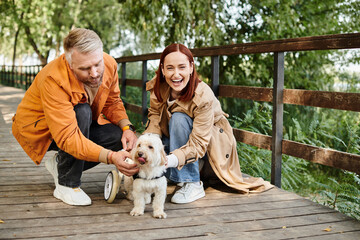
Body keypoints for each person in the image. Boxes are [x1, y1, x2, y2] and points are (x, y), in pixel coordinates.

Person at [12, 28, 139, 206]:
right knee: (82, 111)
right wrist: (111, 157)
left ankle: (61, 164)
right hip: (41, 129)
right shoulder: (53, 79)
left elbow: (112, 101)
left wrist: (127, 128)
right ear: (70, 64)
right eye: (85, 68)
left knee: (117, 137)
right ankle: (66, 184)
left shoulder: (109, 63)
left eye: (97, 64)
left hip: (77, 124)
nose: (94, 73)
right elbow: (68, 138)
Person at [143, 43, 273, 204]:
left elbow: (198, 144)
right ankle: (177, 177)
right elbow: (155, 116)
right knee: (158, 141)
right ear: (162, 69)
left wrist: (168, 161)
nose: (176, 74)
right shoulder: (158, 86)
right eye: (170, 68)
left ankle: (192, 183)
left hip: (208, 145)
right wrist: (147, 145)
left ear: (191, 67)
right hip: (177, 140)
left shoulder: (203, 95)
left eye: (182, 67)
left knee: (179, 118)